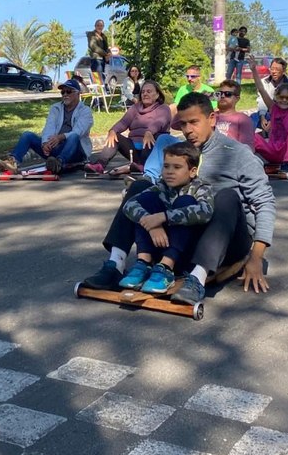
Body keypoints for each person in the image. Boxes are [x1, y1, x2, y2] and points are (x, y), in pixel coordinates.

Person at [82, 92, 275, 305]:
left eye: (194, 122)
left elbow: (265, 203)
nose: (188, 130)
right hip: (183, 234)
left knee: (226, 196)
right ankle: (115, 265)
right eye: (183, 124)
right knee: (141, 186)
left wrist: (256, 257)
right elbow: (159, 193)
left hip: (228, 241)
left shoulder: (238, 153)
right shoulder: (181, 153)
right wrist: (153, 222)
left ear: (212, 119)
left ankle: (197, 279)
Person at [118, 142, 214, 294]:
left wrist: (163, 217)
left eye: (177, 167)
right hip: (160, 244)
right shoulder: (162, 186)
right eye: (166, 166)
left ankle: (166, 268)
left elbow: (205, 211)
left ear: (192, 171)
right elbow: (129, 205)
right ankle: (144, 262)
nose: (169, 172)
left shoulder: (200, 187)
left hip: (184, 253)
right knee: (147, 200)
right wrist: (153, 224)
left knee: (185, 202)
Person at [0, 79, 93, 176]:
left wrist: (60, 137)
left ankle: (59, 163)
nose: (65, 94)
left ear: (77, 93)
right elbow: (49, 126)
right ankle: (13, 162)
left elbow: (79, 131)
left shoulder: (85, 111)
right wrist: (45, 143)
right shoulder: (55, 108)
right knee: (27, 135)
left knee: (74, 136)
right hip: (55, 148)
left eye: (69, 91)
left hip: (75, 151)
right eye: (63, 92)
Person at [85, 80, 170, 174]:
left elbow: (159, 122)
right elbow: (123, 122)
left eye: (149, 92)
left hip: (152, 149)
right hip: (134, 149)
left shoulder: (163, 108)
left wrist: (149, 132)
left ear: (157, 95)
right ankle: (100, 165)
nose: (145, 94)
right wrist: (113, 130)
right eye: (143, 92)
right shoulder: (135, 108)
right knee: (115, 135)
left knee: (157, 136)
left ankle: (144, 165)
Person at [213, 79, 256, 147]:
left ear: (237, 99)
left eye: (228, 94)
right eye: (220, 94)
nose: (222, 96)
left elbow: (247, 149)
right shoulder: (210, 116)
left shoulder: (243, 120)